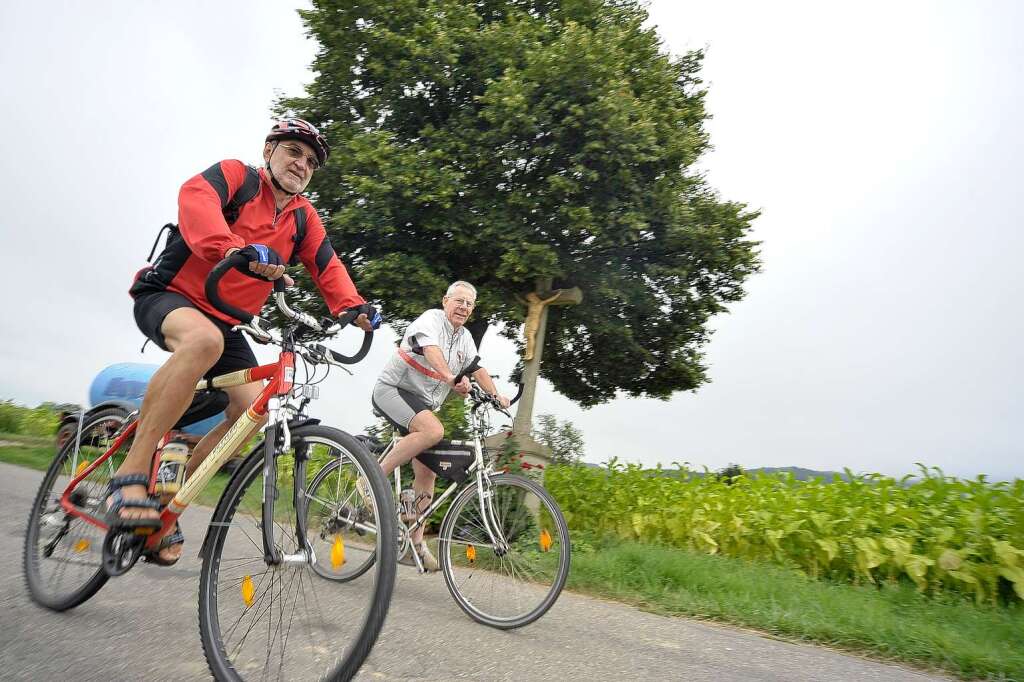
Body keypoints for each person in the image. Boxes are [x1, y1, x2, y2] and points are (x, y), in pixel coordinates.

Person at [110, 118, 378, 565]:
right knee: (203, 343)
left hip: (226, 322)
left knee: (253, 410)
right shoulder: (238, 177)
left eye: (311, 161)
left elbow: (327, 264)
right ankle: (132, 470)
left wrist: (353, 306)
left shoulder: (303, 217)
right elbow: (195, 199)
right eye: (294, 151)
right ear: (270, 150)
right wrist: (234, 247)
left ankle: (165, 509)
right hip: (170, 295)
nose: (302, 164)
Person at [371, 281, 509, 570]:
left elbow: (476, 368)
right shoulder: (430, 320)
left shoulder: (465, 338)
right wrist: (450, 377)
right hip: (393, 390)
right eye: (459, 300)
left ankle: (415, 544)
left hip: (421, 404)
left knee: (427, 470)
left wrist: (497, 396)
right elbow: (431, 350)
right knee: (433, 431)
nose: (464, 307)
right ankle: (369, 476)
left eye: (469, 304)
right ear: (446, 301)